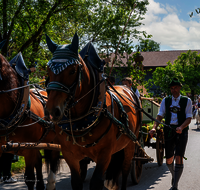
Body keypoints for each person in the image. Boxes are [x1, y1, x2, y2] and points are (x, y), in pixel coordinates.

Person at [149, 78, 192, 190]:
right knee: (168, 159)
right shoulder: (166, 100)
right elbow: (160, 116)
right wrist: (154, 128)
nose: (174, 90)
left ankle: (175, 185)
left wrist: (181, 127)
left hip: (182, 133)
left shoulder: (187, 100)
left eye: (175, 88)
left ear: (180, 88)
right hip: (168, 132)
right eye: (172, 88)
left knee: (179, 156)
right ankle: (174, 176)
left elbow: (188, 118)